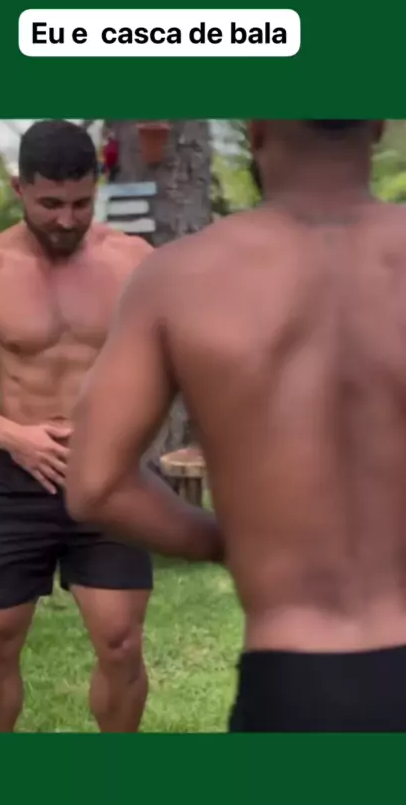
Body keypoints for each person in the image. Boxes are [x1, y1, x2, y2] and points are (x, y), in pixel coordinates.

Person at [65, 119, 406, 732]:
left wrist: (225, 540)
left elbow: (96, 484)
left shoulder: (181, 278)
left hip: (293, 675)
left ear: (257, 127)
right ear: (377, 126)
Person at [0, 119, 155, 733]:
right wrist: (13, 435)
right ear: (19, 188)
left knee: (120, 642)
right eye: (50, 203)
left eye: (80, 203)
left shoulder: (135, 262)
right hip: (18, 477)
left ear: (97, 185)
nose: (66, 219)